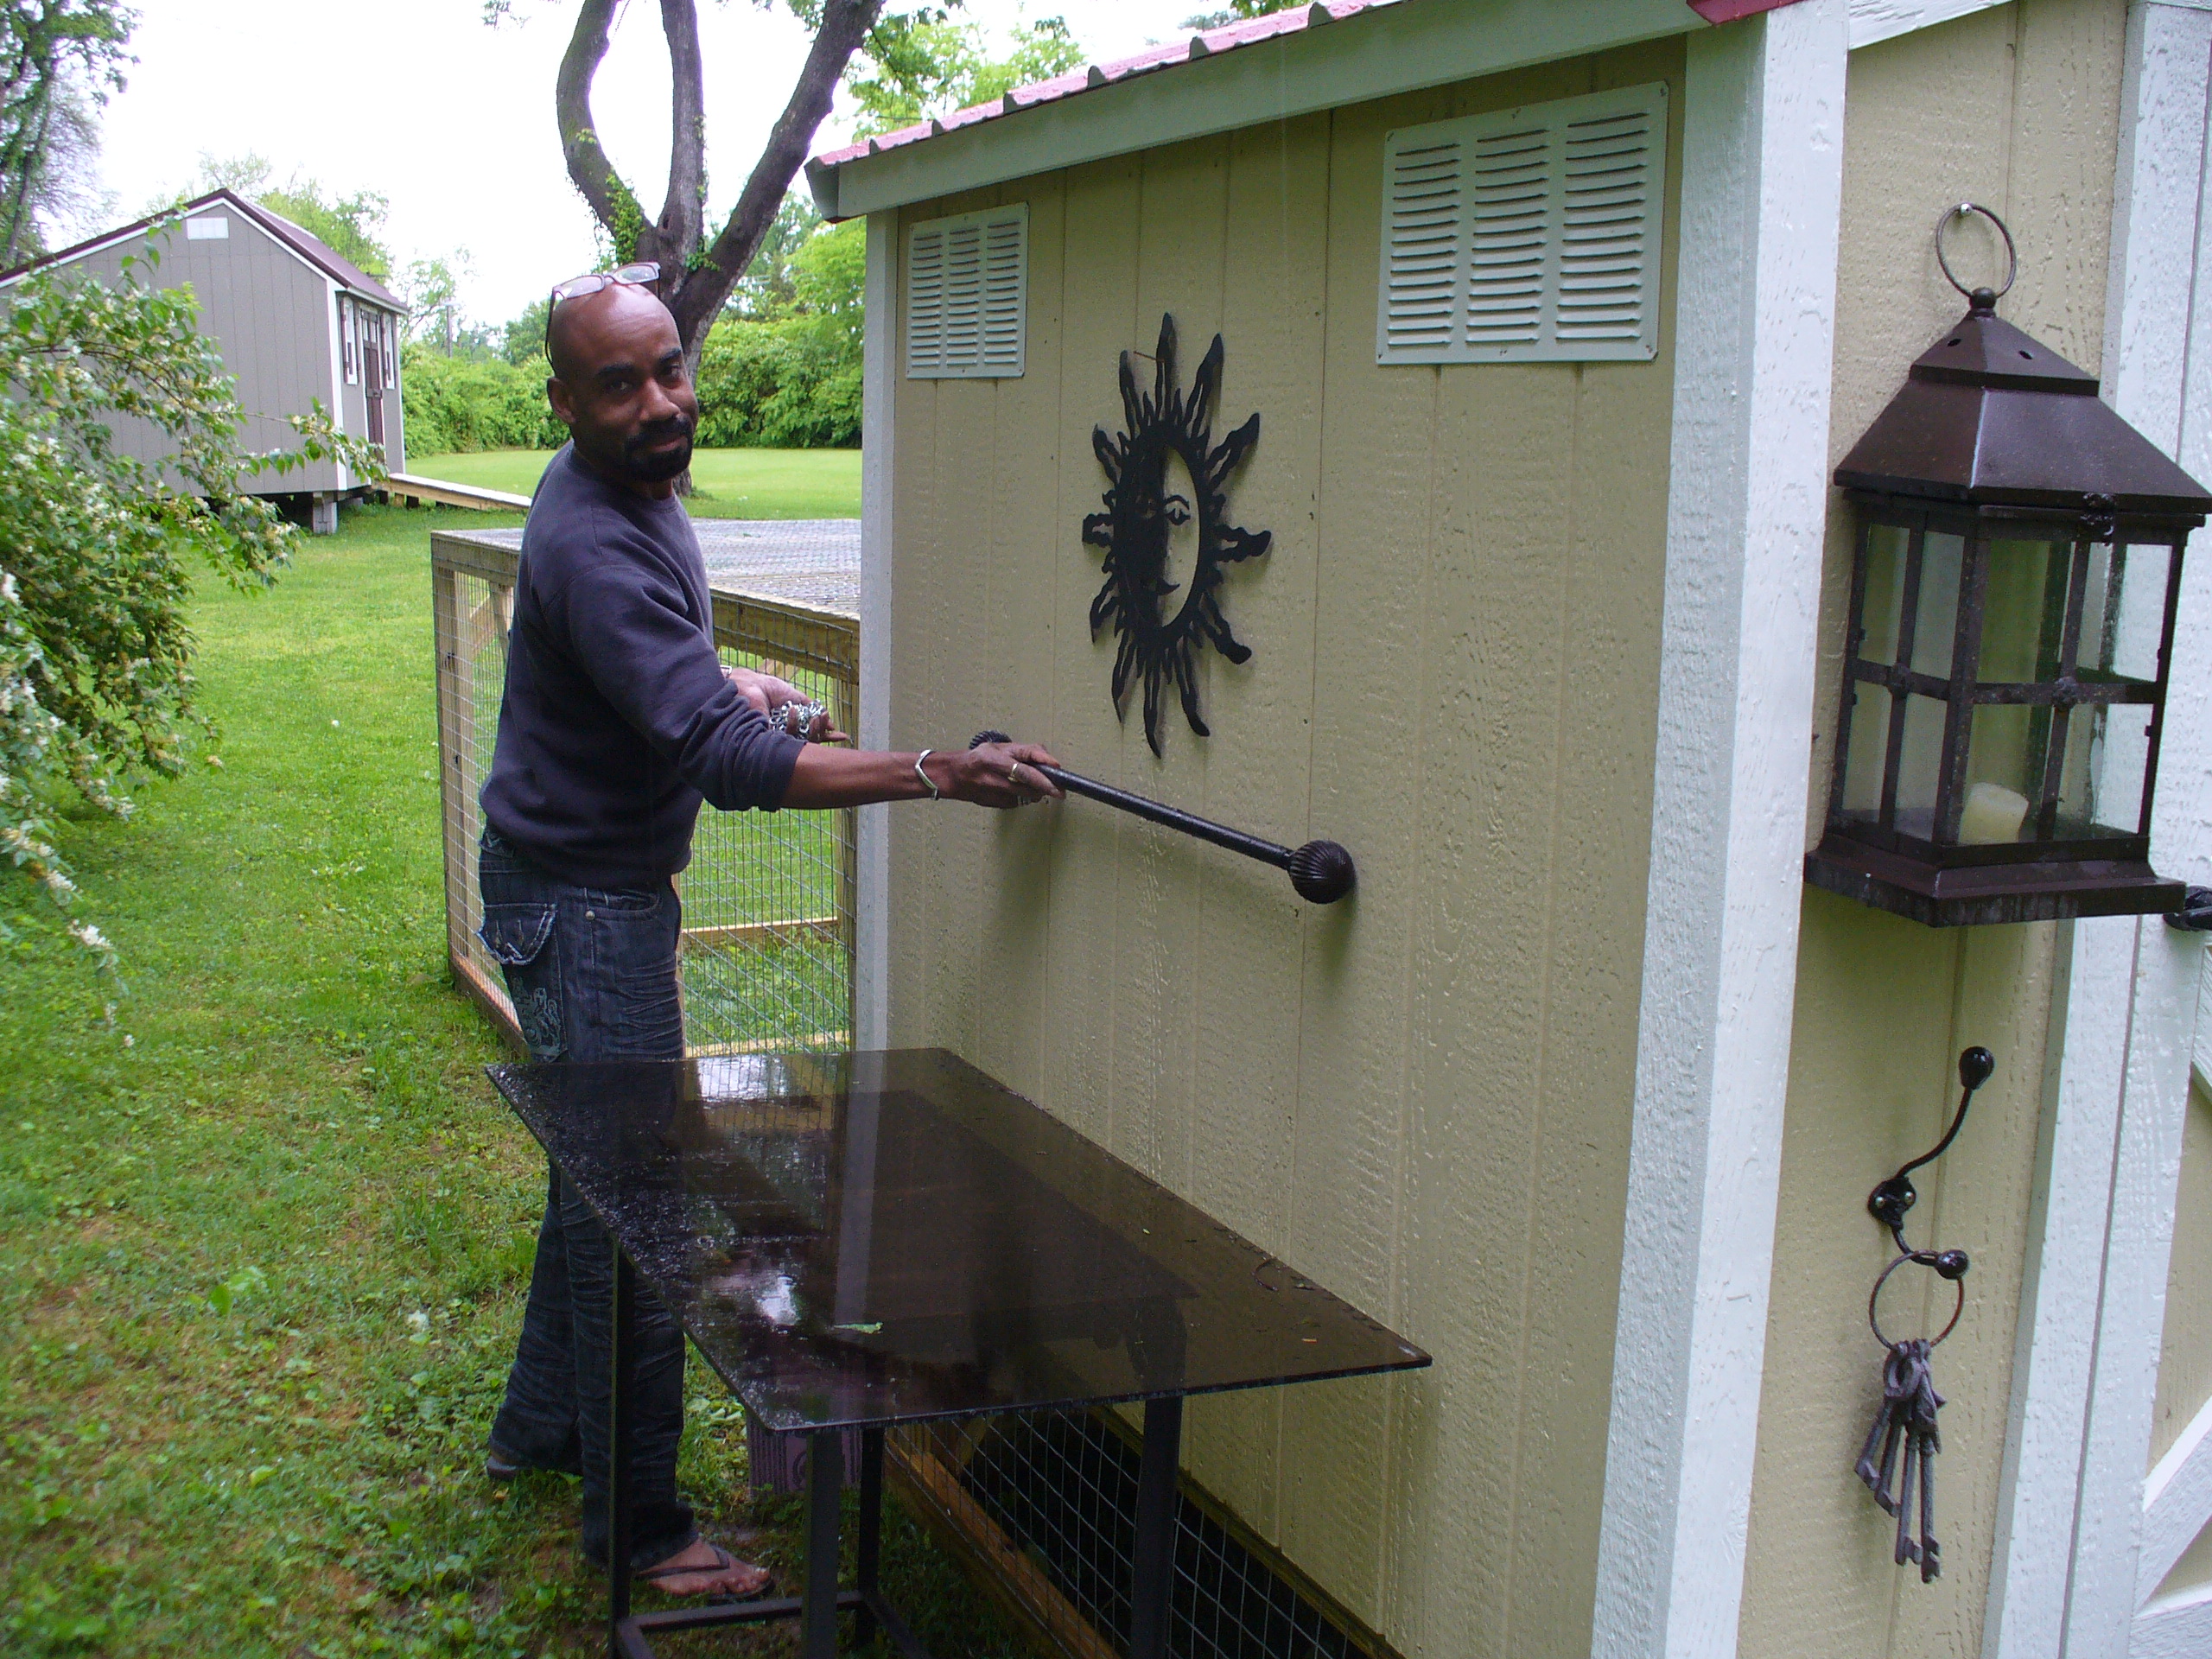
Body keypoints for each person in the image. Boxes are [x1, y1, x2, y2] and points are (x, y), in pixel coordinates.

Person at [474, 263, 1061, 1599]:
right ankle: (641, 1530)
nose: (658, 401)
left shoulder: (616, 491)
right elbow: (726, 763)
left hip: (569, 884)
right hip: (583, 907)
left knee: (596, 1178)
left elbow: (643, 674)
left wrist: (712, 670)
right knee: (640, 1209)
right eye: (618, 384)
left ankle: (543, 1427)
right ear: (565, 400)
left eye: (669, 367)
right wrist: (935, 773)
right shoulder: (589, 531)